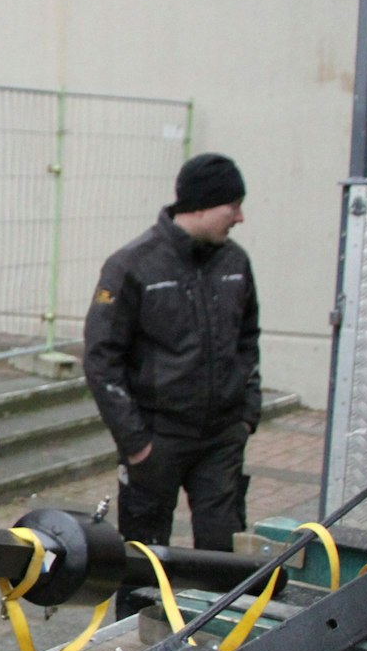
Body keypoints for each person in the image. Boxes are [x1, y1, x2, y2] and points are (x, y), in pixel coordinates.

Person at [82, 152, 261, 551]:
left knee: (224, 561)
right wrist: (136, 444)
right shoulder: (132, 265)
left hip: (222, 439)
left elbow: (248, 340)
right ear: (201, 205)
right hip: (156, 442)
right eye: (233, 206)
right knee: (144, 563)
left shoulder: (235, 262)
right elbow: (101, 359)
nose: (240, 217)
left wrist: (247, 415)